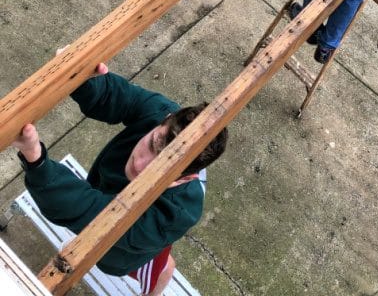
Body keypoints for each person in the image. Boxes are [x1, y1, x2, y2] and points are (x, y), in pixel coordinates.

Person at [11, 65, 228, 296]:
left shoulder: (174, 215)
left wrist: (36, 160)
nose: (140, 165)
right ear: (164, 120)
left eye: (160, 171)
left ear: (186, 179)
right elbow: (114, 95)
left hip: (123, 248)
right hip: (116, 201)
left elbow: (90, 211)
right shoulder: (162, 112)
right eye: (152, 144)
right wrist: (80, 76)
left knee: (162, 266)